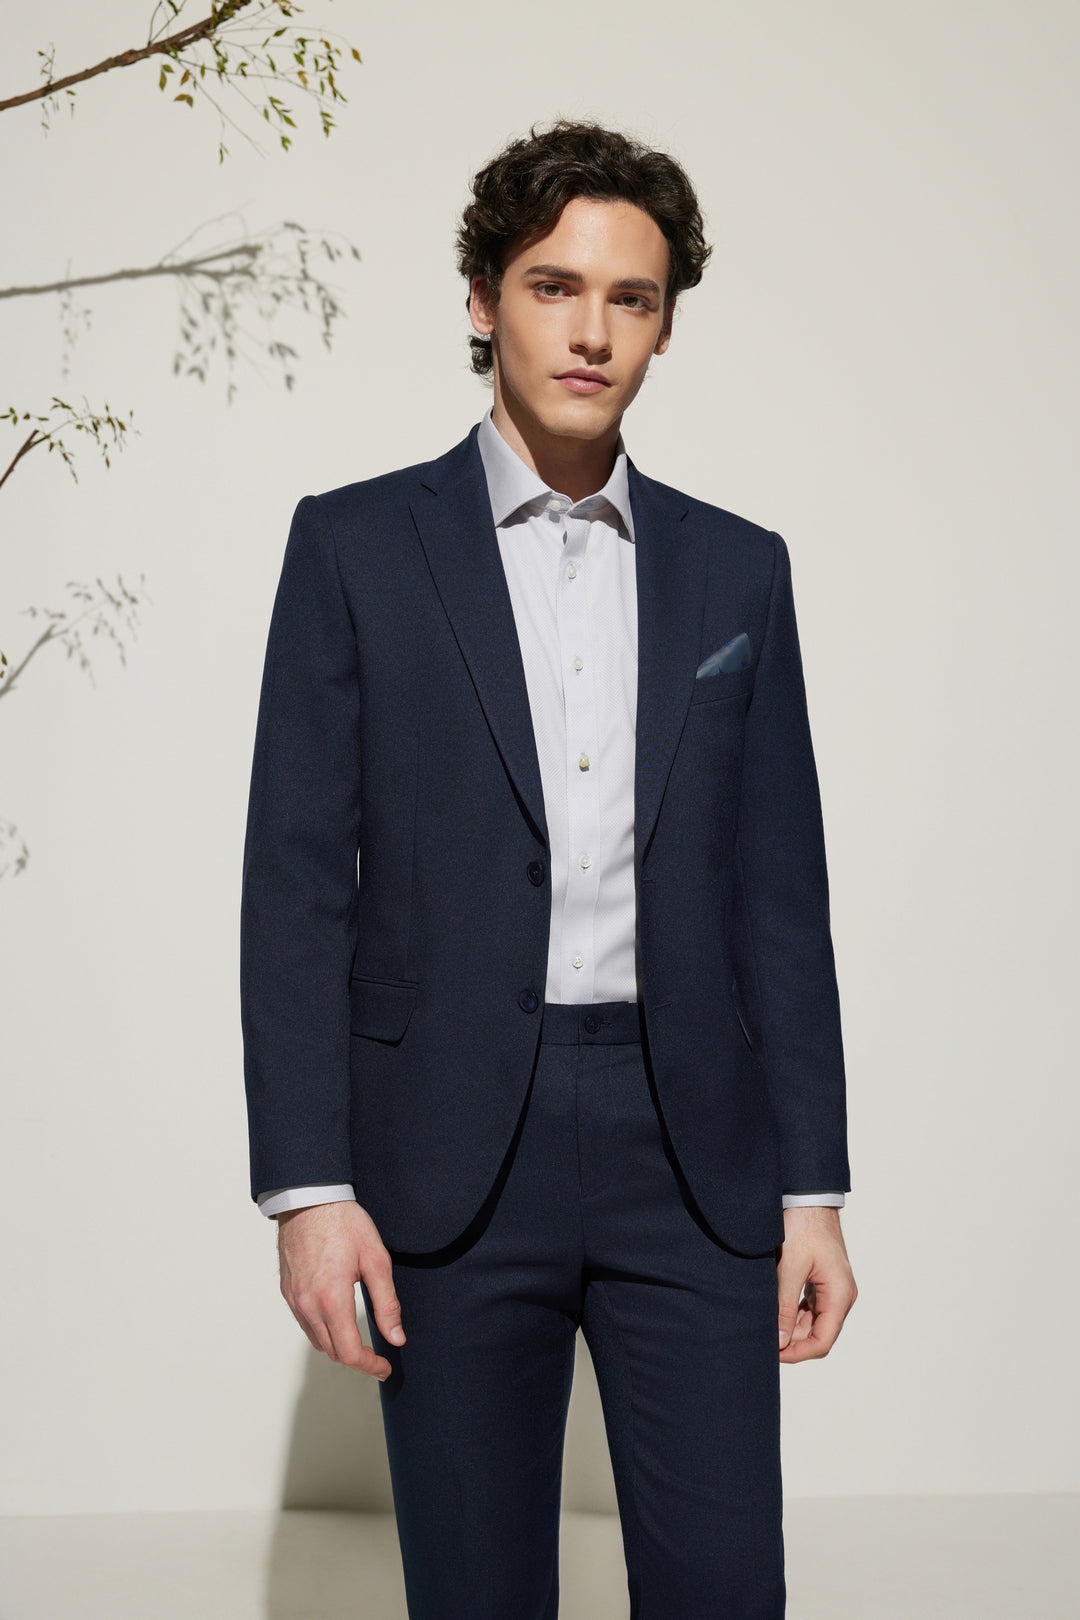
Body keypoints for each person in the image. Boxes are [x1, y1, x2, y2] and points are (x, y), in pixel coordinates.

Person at [240, 119, 857, 1619]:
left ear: (665, 325)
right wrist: (309, 1189)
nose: (591, 331)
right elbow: (297, 883)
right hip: (449, 1149)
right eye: (552, 286)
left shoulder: (738, 566)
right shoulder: (355, 547)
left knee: (725, 1586)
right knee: (478, 1591)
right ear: (481, 298)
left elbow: (780, 893)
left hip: (692, 1150)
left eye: (631, 298)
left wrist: (815, 1189)